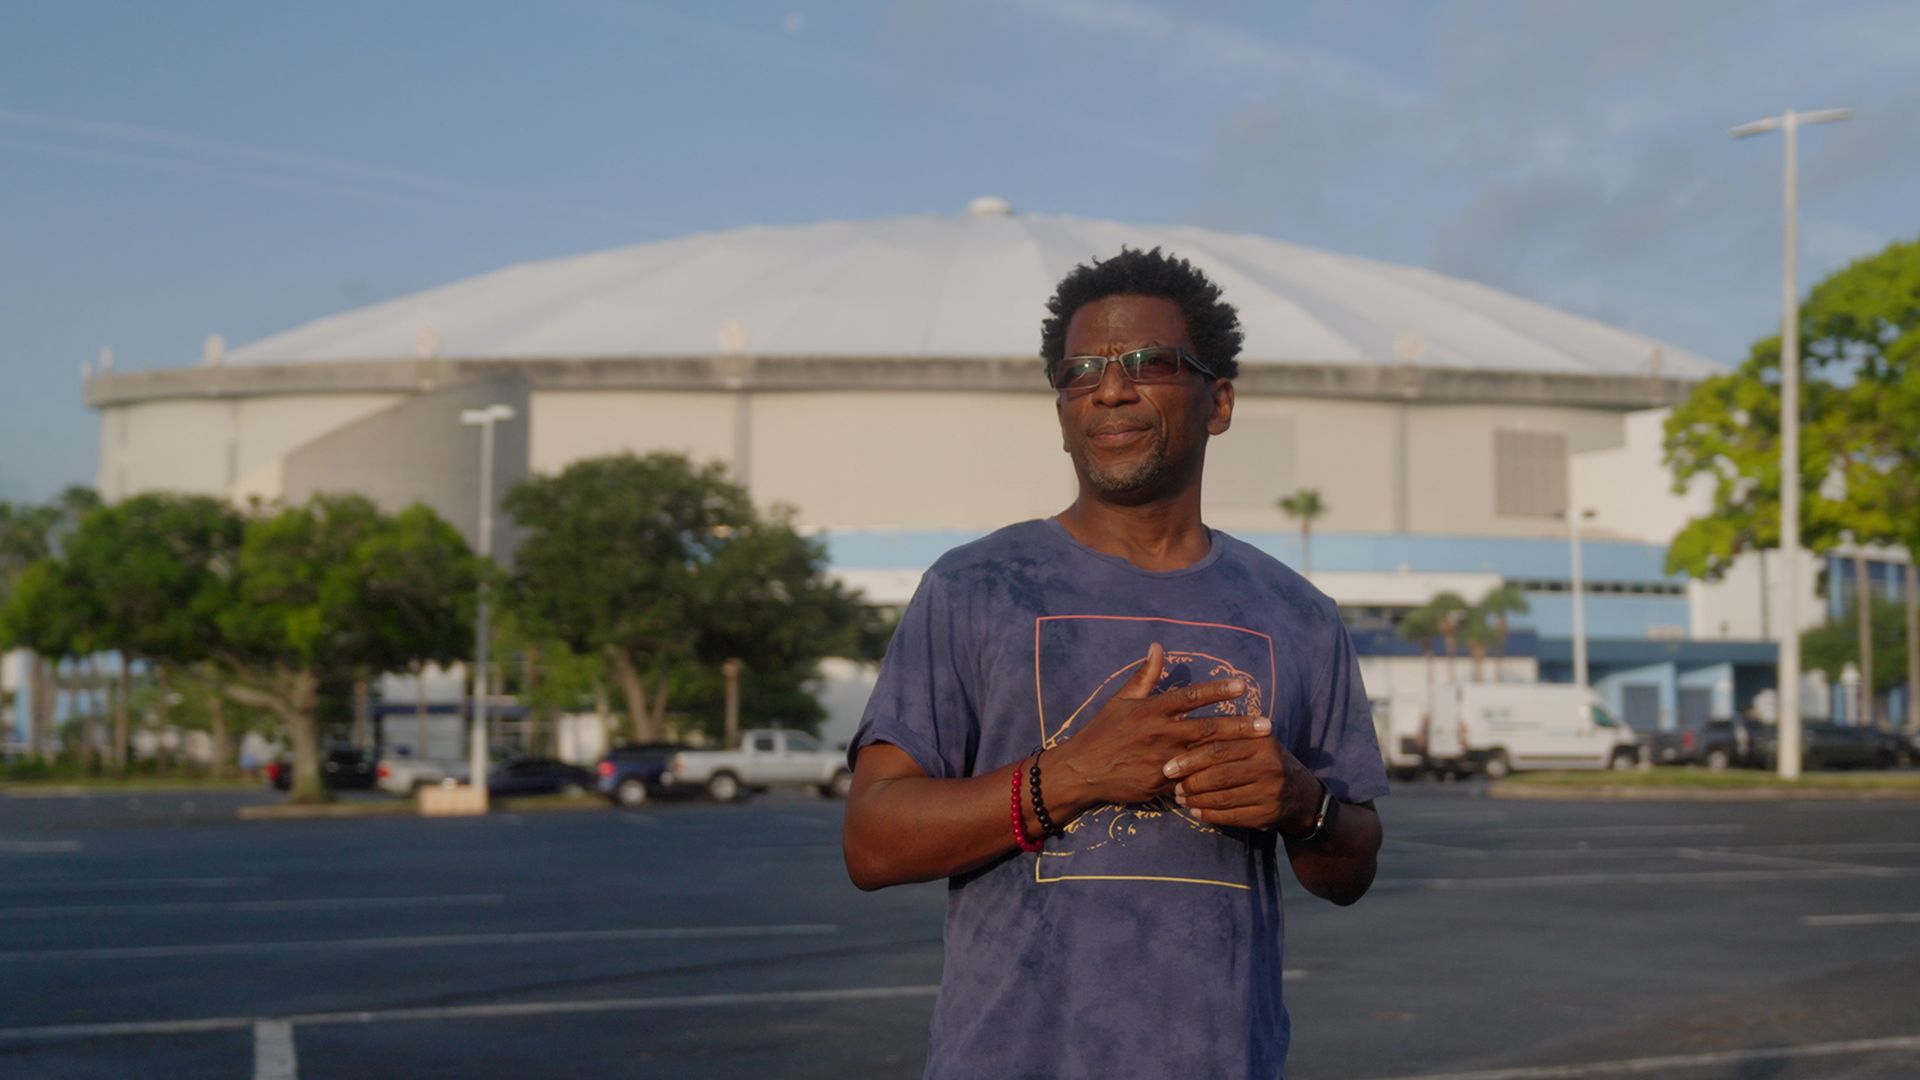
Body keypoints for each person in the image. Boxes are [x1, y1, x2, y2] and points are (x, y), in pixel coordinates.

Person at [842, 247, 1388, 1080]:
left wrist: (1302, 804)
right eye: (1080, 372)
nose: (1109, 387)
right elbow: (873, 842)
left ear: (1220, 401)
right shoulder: (977, 586)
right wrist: (1072, 774)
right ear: (1061, 409)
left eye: (1148, 363)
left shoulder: (1296, 615)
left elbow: (1351, 866)